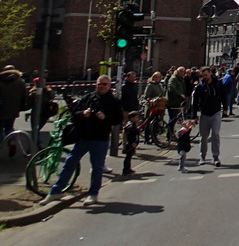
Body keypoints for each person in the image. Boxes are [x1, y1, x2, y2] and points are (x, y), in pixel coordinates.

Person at [40, 75, 123, 205]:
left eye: (104, 84)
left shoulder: (114, 101)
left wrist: (105, 117)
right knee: (70, 163)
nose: (101, 86)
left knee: (97, 168)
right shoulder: (88, 97)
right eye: (99, 84)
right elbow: (74, 112)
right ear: (96, 85)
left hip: (100, 138)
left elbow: (118, 119)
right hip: (84, 136)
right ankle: (56, 191)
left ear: (109, 86)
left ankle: (93, 194)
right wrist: (83, 113)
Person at [191, 66, 224, 166]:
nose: (205, 77)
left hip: (216, 113)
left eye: (206, 74)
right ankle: (202, 156)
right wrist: (194, 116)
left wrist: (226, 108)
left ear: (210, 73)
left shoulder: (218, 84)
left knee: (215, 134)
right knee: (203, 137)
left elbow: (223, 95)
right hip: (204, 114)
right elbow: (195, 102)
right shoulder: (200, 87)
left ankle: (215, 157)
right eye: (203, 75)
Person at [0, 64, 29, 156]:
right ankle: (12, 142)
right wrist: (21, 107)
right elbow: (25, 96)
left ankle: (0, 146)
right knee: (9, 127)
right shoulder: (20, 82)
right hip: (13, 110)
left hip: (1, 109)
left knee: (0, 129)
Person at [166, 66, 187, 138]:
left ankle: (171, 134)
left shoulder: (181, 79)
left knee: (175, 119)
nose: (182, 73)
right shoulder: (173, 79)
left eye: (183, 72)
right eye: (181, 71)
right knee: (172, 119)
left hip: (178, 102)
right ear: (177, 71)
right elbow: (171, 88)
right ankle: (169, 134)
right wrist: (180, 94)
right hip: (172, 102)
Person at [122, 110, 140, 175]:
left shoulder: (132, 125)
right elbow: (130, 136)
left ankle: (128, 168)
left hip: (131, 144)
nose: (138, 119)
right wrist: (132, 143)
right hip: (130, 144)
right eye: (136, 117)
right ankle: (125, 169)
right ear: (132, 118)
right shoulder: (131, 126)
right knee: (128, 157)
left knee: (129, 156)